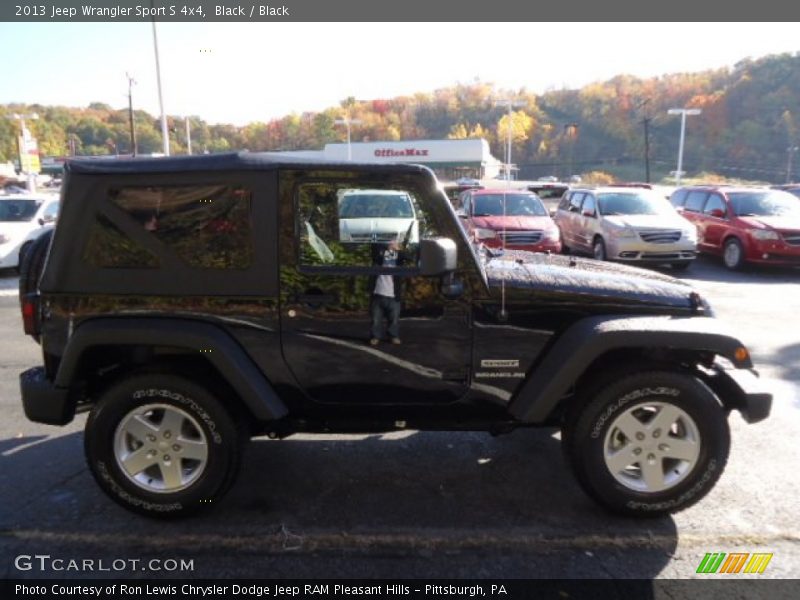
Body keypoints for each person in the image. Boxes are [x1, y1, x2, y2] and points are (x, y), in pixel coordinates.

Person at [368, 240, 407, 346]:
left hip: (394, 295)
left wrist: (397, 249)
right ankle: (375, 337)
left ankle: (393, 336)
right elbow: (375, 251)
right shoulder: (380, 259)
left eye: (395, 243)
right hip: (378, 293)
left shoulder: (398, 260)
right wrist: (389, 248)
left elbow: (406, 256)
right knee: (376, 319)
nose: (392, 245)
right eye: (390, 243)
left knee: (394, 320)